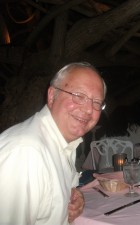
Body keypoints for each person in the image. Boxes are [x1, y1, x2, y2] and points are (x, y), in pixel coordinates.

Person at [0, 62, 107, 225]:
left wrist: (71, 199)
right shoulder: (25, 153)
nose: (88, 109)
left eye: (97, 102)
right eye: (79, 96)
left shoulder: (62, 143)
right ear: (52, 96)